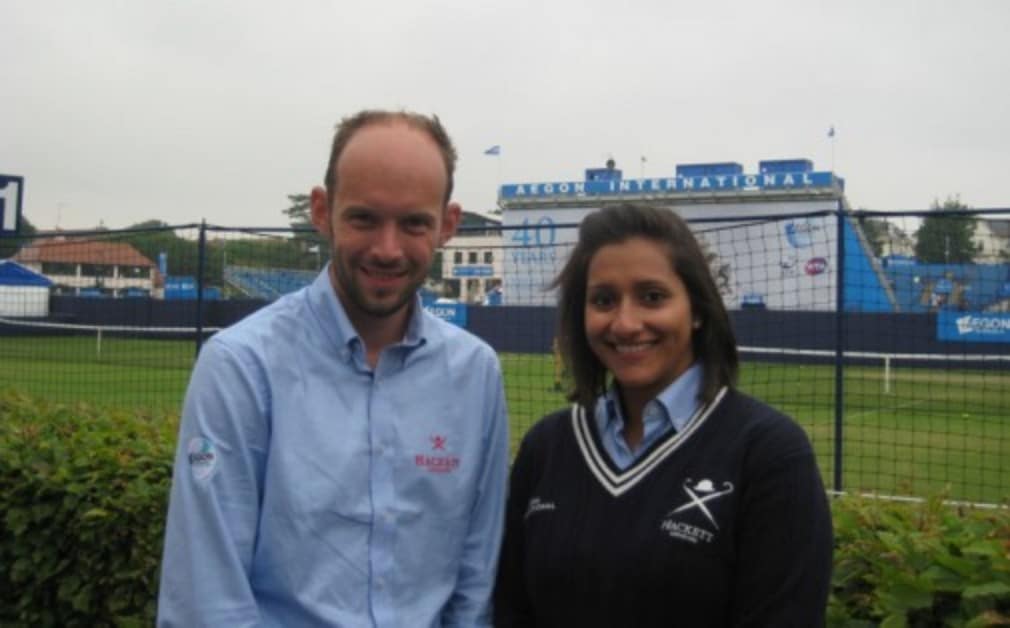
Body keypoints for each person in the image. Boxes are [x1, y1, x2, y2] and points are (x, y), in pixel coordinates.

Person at [158, 110, 510, 627]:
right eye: (364, 218)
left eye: (413, 222)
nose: (387, 249)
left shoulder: (476, 373)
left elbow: (475, 583)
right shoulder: (240, 366)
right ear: (322, 211)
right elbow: (206, 600)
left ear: (448, 225)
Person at [494, 203, 833, 627]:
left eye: (652, 297)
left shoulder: (769, 454)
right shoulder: (546, 447)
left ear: (697, 310)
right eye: (603, 300)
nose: (625, 323)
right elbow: (509, 608)